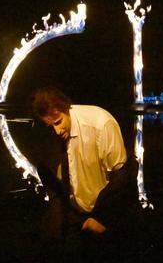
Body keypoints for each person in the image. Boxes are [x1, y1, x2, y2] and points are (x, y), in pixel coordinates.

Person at [31, 87, 132, 237]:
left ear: (66, 109)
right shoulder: (51, 132)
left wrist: (101, 217)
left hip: (105, 213)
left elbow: (121, 175)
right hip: (74, 213)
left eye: (58, 122)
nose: (57, 130)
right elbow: (47, 172)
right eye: (50, 126)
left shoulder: (100, 124)